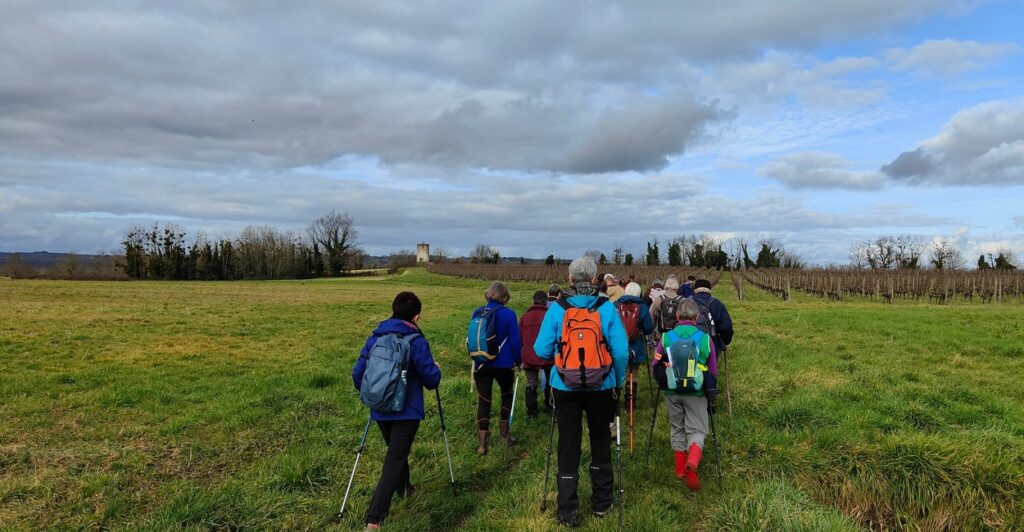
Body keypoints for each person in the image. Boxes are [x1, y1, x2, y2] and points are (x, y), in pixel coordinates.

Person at [534, 256, 629, 527]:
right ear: (596, 278)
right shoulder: (606, 307)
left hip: (565, 386)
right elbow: (621, 351)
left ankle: (567, 509)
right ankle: (602, 503)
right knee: (600, 439)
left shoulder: (557, 308)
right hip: (602, 386)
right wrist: (617, 380)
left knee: (568, 443)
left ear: (570, 279)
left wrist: (561, 355)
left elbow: (540, 350)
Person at [352, 292, 441, 530]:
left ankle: (405, 490)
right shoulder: (416, 341)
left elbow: (357, 373)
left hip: (380, 408)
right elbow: (431, 380)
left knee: (395, 451)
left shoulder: (375, 337)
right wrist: (435, 369)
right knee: (395, 457)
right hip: (407, 411)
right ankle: (374, 518)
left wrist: (371, 394)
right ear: (417, 316)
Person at [651, 298, 716, 491]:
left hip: (672, 390)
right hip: (696, 391)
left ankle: (680, 470)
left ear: (677, 316)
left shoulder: (666, 338)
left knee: (677, 426)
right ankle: (693, 463)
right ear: (696, 318)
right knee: (697, 429)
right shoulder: (705, 339)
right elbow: (713, 370)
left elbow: (655, 365)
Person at [472, 281, 522, 454]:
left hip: (482, 363)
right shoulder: (509, 314)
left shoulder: (477, 312)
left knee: (484, 400)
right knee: (506, 395)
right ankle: (505, 436)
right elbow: (515, 342)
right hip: (504, 363)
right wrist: (518, 361)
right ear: (505, 296)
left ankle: (482, 445)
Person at [614, 282, 654, 413]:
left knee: (617, 373)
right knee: (632, 374)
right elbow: (648, 328)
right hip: (636, 345)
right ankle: (630, 404)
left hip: (618, 345)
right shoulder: (642, 306)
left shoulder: (616, 305)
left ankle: (614, 402)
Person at [520, 290, 553, 417]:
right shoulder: (549, 316)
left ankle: (532, 411)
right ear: (546, 302)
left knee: (531, 383)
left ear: (533, 301)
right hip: (548, 356)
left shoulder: (524, 317)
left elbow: (519, 339)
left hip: (529, 357)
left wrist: (520, 357)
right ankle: (549, 405)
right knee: (551, 381)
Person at [690, 279, 734, 358]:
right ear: (709, 289)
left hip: (689, 343)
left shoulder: (687, 302)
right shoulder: (717, 303)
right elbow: (726, 327)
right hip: (711, 344)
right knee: (710, 368)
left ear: (695, 289)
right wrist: (724, 341)